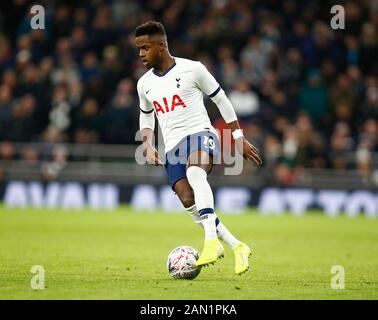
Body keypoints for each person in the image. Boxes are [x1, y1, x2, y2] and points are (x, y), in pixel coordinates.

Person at [135, 21, 262, 275]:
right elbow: (146, 115)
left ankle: (211, 242)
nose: (141, 54)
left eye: (145, 48)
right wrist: (147, 144)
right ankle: (237, 246)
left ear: (161, 46)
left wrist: (238, 137)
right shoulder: (144, 84)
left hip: (200, 133)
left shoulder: (193, 69)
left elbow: (221, 99)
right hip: (172, 147)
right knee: (187, 198)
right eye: (138, 49)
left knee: (196, 173)